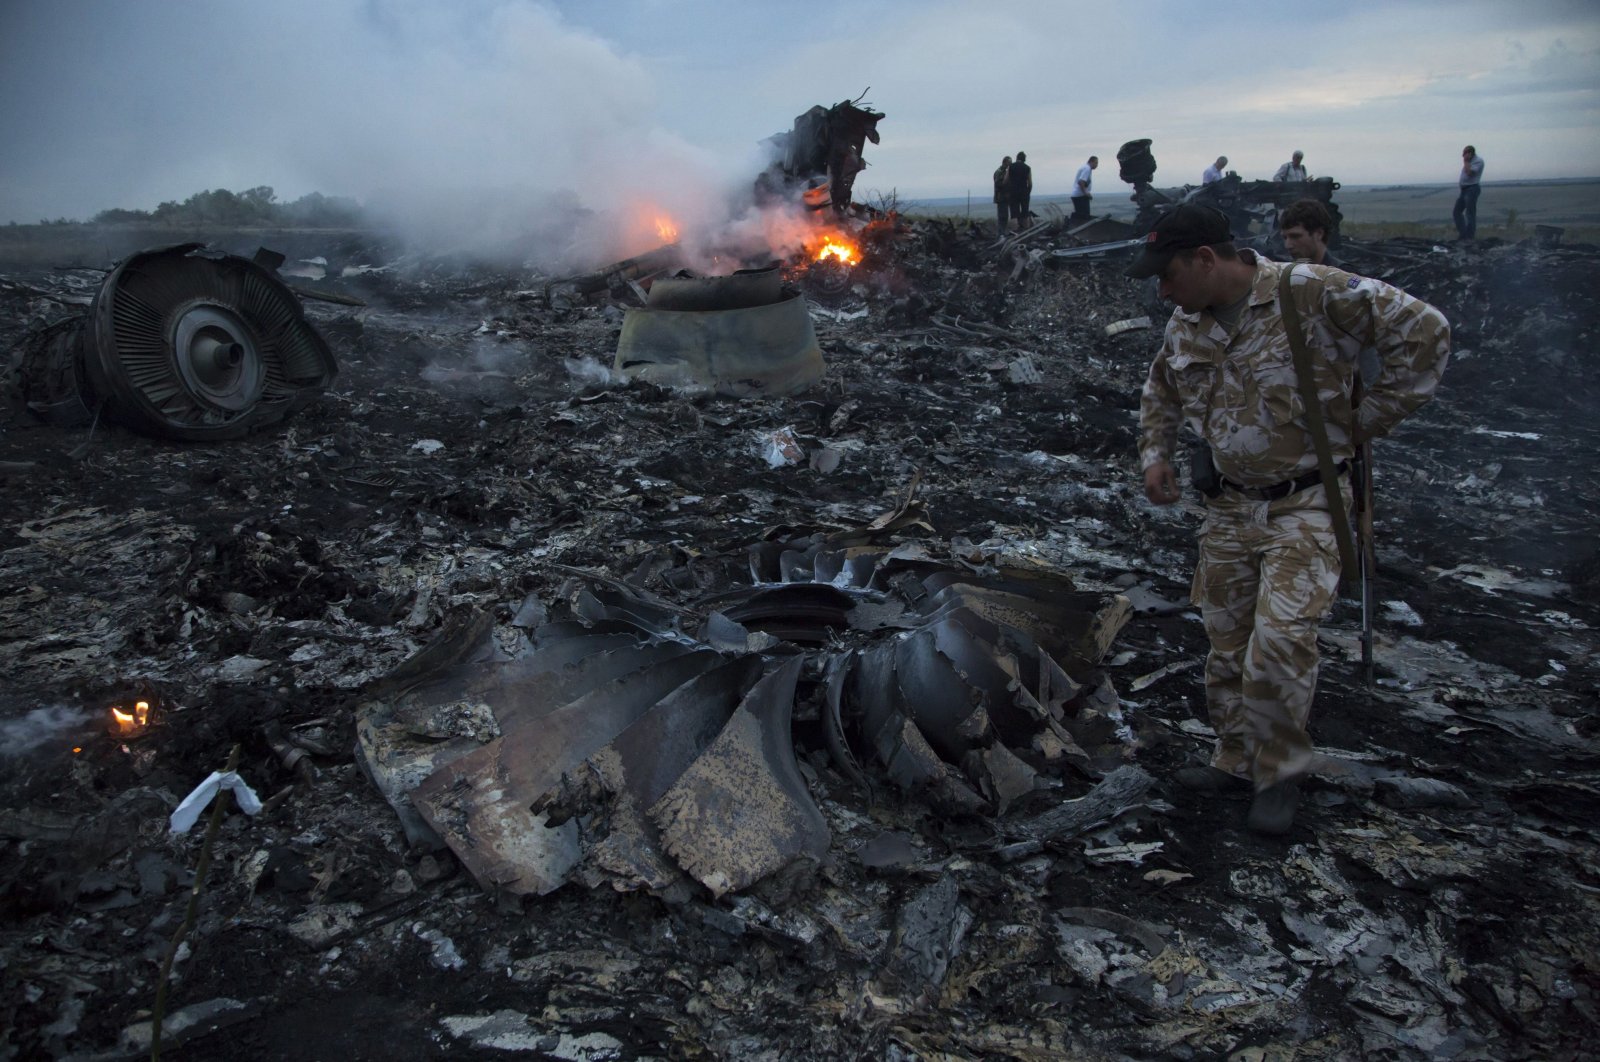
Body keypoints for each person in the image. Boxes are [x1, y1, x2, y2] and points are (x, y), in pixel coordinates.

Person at [1129, 204, 1450, 835]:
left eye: (1168, 274)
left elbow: (1427, 331)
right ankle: (1233, 757)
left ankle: (1278, 773)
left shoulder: (1310, 291)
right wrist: (1155, 455)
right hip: (1227, 506)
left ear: (1205, 259)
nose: (1162, 290)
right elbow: (1161, 387)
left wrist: (1366, 420)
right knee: (1227, 640)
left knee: (1278, 643)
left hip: (1306, 502)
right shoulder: (1185, 321)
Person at [1279, 198, 1341, 269]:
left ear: (1319, 234)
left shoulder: (1344, 275)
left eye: (1295, 236)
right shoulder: (1286, 273)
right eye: (1285, 238)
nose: (1287, 245)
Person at [1454, 145, 1484, 240]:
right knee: (1457, 211)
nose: (1463, 156)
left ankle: (1469, 237)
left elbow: (1469, 173)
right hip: (1464, 190)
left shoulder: (1478, 161)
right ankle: (1463, 234)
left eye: (1465, 154)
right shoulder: (1469, 162)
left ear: (1470, 153)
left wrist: (1466, 162)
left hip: (1472, 189)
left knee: (1470, 213)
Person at [1008, 151, 1033, 232]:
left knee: (1014, 213)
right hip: (1024, 192)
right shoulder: (1027, 168)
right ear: (1024, 159)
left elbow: (1005, 180)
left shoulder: (1011, 167)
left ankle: (1014, 233)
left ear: (1017, 158)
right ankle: (1026, 232)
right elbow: (1030, 183)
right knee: (1025, 212)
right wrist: (1028, 192)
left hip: (1013, 192)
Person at [1072, 155, 1098, 220]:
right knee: (1084, 218)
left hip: (1078, 196)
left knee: (1080, 217)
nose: (1097, 165)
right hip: (1081, 196)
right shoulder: (1087, 168)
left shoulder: (1085, 167)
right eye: (1096, 163)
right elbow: (1081, 181)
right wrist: (1086, 193)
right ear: (1091, 162)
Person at [993, 156, 1012, 238]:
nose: (1010, 164)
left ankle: (1002, 232)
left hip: (1005, 197)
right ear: (1005, 162)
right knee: (1002, 216)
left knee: (1005, 216)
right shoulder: (999, 172)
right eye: (1009, 162)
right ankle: (1001, 233)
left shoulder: (1004, 171)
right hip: (1001, 197)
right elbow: (998, 184)